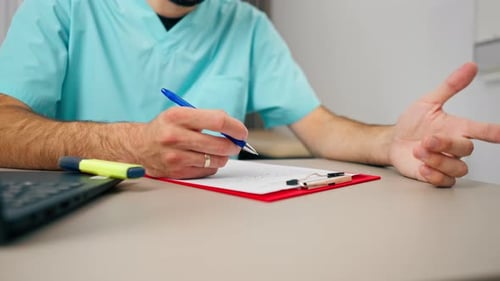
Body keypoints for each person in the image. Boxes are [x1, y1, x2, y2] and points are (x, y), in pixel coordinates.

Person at [0, 0, 499, 187]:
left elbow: (318, 125)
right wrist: (130, 143)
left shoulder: (245, 23)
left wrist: (390, 142)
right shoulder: (59, 6)